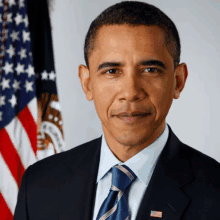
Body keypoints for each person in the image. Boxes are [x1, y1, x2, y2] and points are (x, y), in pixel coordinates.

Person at [14, 1, 220, 220]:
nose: (130, 92)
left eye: (150, 70)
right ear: (87, 83)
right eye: (112, 71)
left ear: (178, 81)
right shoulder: (38, 185)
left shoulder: (215, 192)